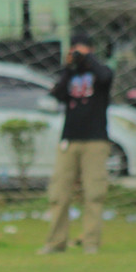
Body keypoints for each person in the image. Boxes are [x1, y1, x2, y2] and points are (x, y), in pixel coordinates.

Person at [37, 31, 113, 255]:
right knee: (59, 193)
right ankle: (55, 242)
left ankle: (90, 243)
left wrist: (88, 59)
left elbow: (106, 77)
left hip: (96, 140)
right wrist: (70, 67)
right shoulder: (71, 73)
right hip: (69, 140)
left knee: (94, 193)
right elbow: (58, 93)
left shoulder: (100, 71)